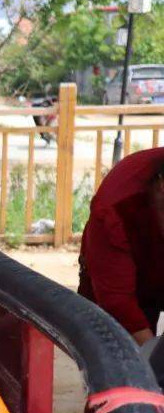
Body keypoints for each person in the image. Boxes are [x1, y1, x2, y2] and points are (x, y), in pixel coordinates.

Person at [77, 147, 164, 346]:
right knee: (120, 359)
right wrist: (153, 362)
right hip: (121, 292)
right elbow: (118, 301)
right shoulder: (114, 209)